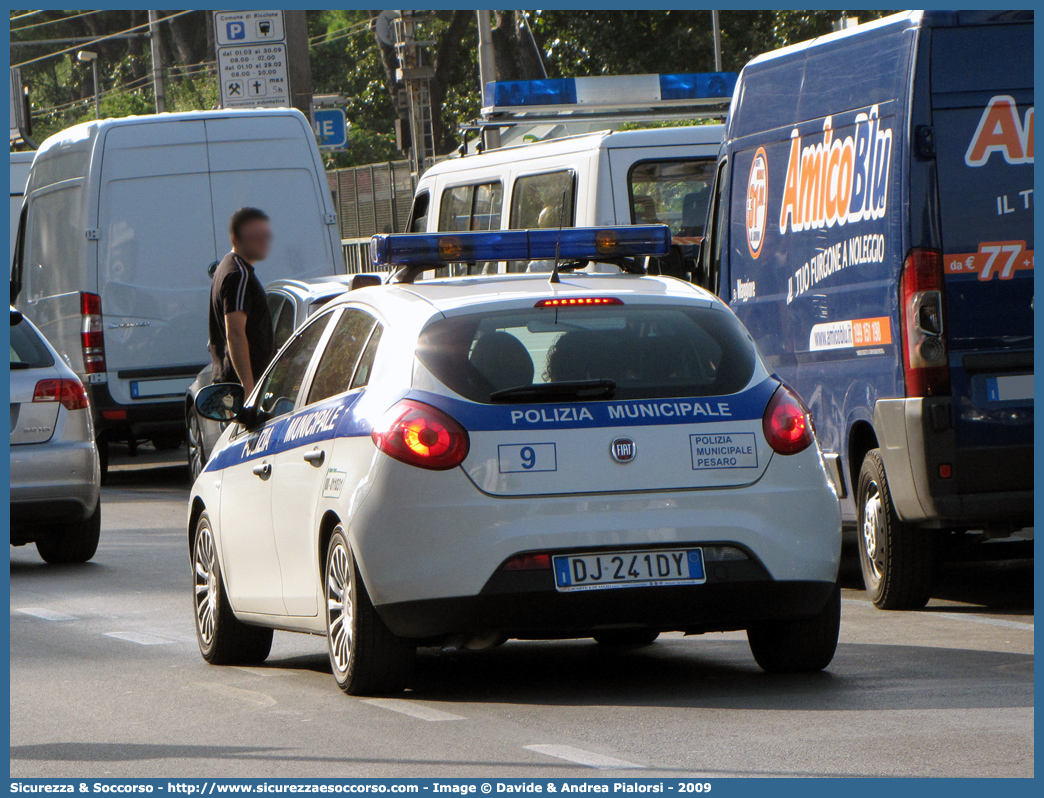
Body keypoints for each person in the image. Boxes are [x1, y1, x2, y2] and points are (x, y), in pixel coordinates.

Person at [208, 207, 275, 396]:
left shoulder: (227, 267)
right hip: (242, 388)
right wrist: (248, 387)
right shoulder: (238, 274)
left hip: (232, 384)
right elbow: (235, 333)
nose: (264, 241)